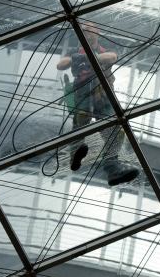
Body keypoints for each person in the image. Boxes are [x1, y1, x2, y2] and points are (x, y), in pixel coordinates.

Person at [56, 22, 139, 187]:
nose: (87, 32)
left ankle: (112, 167)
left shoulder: (102, 50)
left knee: (115, 130)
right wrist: (78, 57)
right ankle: (76, 153)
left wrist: (86, 57)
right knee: (80, 123)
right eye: (84, 30)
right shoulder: (75, 53)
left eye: (90, 30)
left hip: (103, 95)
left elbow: (112, 57)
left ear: (97, 32)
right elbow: (61, 64)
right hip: (84, 94)